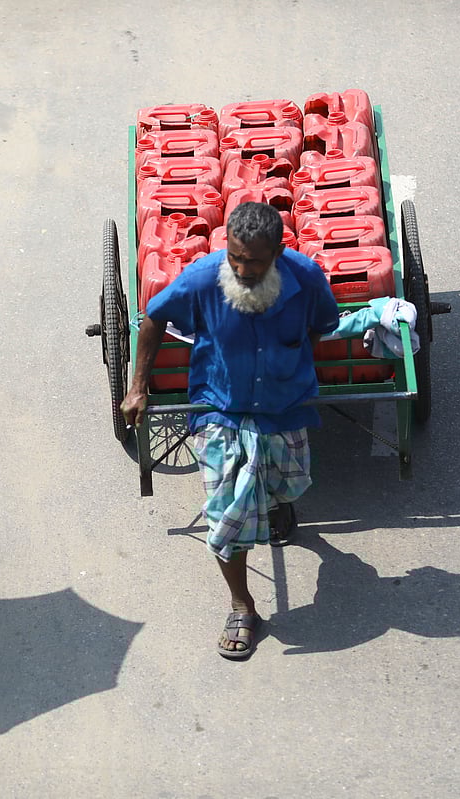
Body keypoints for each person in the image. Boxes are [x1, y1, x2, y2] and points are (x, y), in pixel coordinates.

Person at [121, 202, 339, 661]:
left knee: (289, 484)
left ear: (278, 252)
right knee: (225, 515)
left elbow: (324, 325)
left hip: (284, 408)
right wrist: (137, 386)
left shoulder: (306, 279)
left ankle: (279, 504)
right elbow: (153, 318)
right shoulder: (203, 278)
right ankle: (242, 605)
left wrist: (290, 361)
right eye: (235, 258)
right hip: (220, 409)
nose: (242, 269)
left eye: (254, 261)